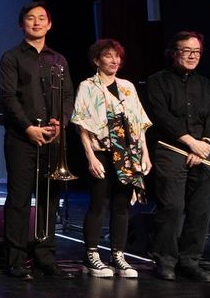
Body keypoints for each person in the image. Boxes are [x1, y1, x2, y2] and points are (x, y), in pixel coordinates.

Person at [0, 1, 76, 280]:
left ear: (50, 24)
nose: (36, 22)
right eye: (30, 18)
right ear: (22, 24)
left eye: (42, 18)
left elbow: (67, 96)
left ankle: (45, 256)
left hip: (53, 138)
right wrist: (28, 127)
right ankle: (15, 259)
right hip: (22, 138)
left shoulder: (59, 60)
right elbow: (8, 98)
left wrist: (61, 122)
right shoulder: (11, 57)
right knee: (19, 200)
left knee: (49, 200)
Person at [71, 39, 152, 278]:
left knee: (121, 205)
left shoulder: (128, 87)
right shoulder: (88, 86)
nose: (115, 61)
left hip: (127, 153)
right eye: (108, 56)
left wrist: (144, 154)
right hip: (102, 151)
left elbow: (139, 124)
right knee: (98, 202)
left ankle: (118, 255)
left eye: (117, 56)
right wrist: (90, 157)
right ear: (97, 60)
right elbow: (82, 125)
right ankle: (91, 255)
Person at [144, 31, 210, 282]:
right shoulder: (157, 81)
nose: (192, 56)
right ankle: (165, 260)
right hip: (171, 149)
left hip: (204, 152)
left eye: (196, 51)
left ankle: (190, 260)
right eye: (186, 51)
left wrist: (205, 144)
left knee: (200, 209)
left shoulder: (207, 85)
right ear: (173, 53)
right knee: (173, 206)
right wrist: (190, 143)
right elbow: (160, 116)